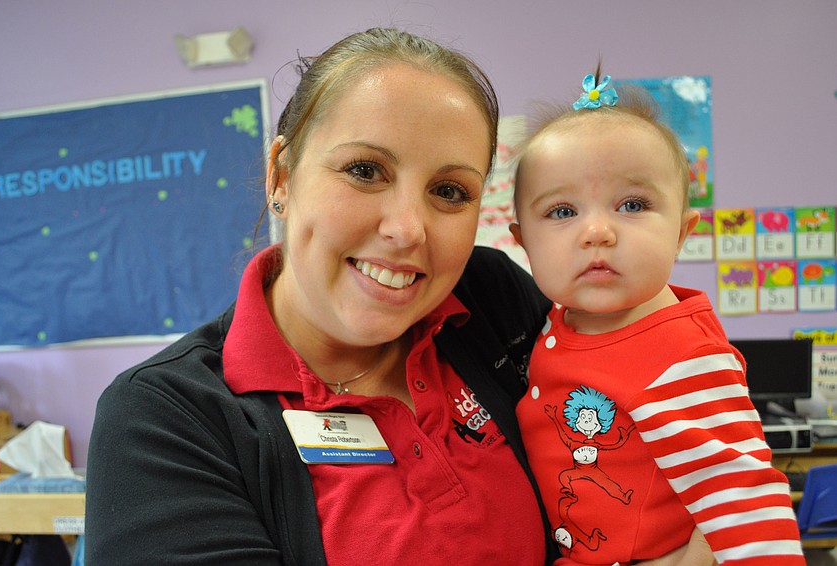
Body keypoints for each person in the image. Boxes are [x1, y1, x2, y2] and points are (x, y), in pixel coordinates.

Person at [86, 29, 714, 565]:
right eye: (365, 171)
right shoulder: (169, 418)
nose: (407, 229)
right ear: (281, 174)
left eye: (449, 191)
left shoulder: (493, 305)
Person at [509, 69, 804, 564]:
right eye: (562, 211)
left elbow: (747, 504)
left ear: (682, 233)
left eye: (633, 204)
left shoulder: (681, 354)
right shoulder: (556, 321)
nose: (597, 231)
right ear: (524, 243)